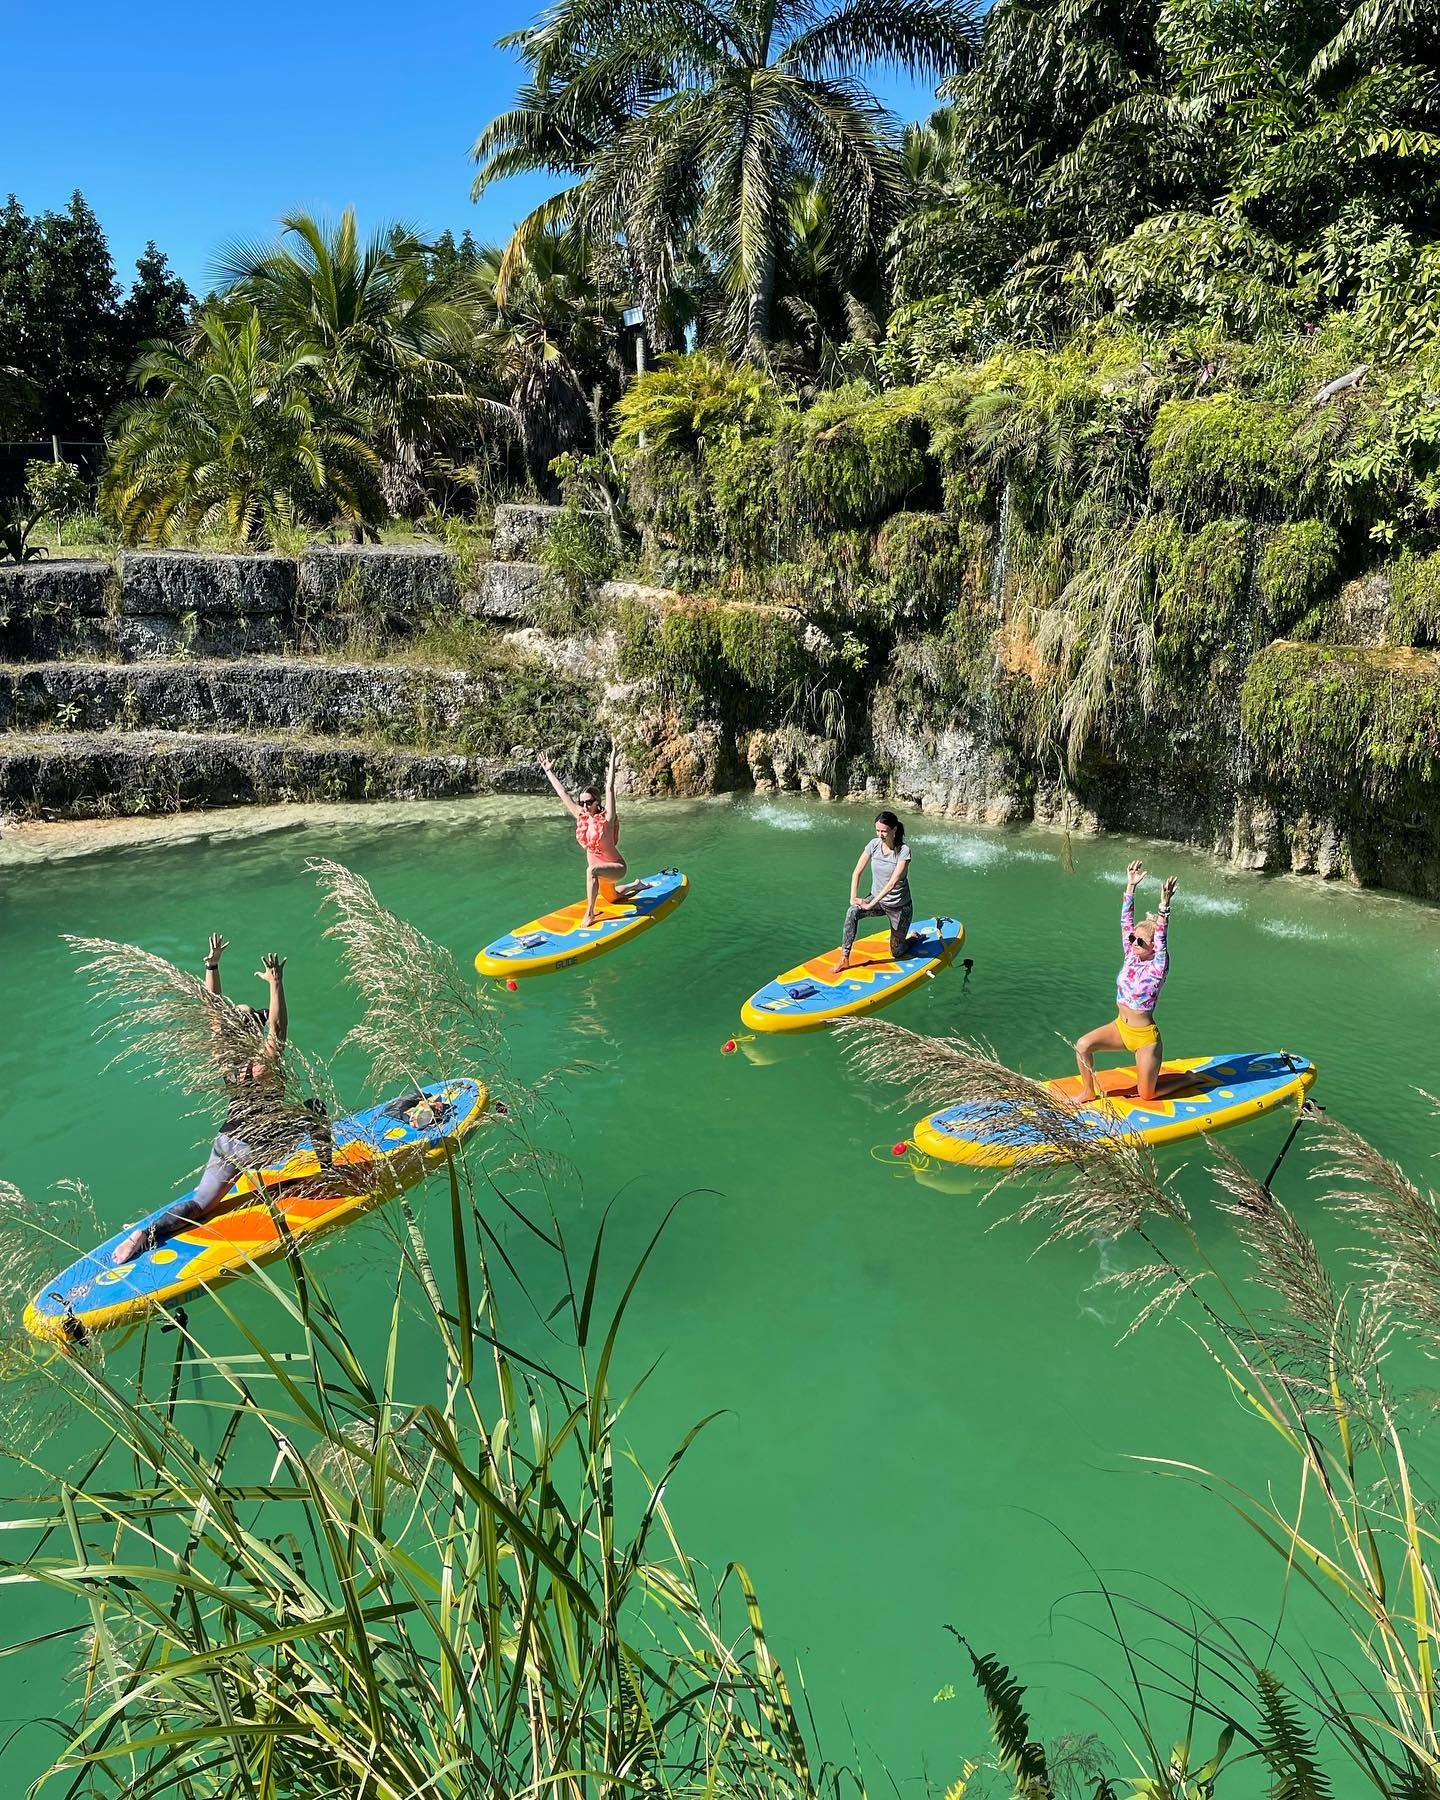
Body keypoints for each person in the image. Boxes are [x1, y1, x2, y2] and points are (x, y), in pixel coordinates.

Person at [113, 935, 288, 1264]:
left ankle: (145, 1233)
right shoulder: (262, 1065)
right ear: (252, 1032)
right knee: (314, 1113)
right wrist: (276, 984)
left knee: (201, 1202)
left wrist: (212, 964)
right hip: (260, 1145)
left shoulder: (226, 1059)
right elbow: (277, 1027)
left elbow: (212, 1009)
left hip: (226, 1142)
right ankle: (329, 1175)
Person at [1074, 860, 1178, 1105]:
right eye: (1133, 939)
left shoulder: (1158, 967)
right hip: (1120, 1028)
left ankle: (1189, 1080)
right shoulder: (1131, 956)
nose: (1133, 943)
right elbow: (1125, 923)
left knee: (1147, 1095)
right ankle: (1088, 1091)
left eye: (1140, 941)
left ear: (1153, 947)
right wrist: (1130, 887)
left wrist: (1164, 906)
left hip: (1145, 1039)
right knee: (1083, 1045)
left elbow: (1162, 935)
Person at [538, 743, 643, 928]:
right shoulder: (581, 817)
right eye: (582, 803)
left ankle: (590, 913)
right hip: (602, 874)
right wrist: (548, 771)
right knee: (613, 898)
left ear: (597, 802)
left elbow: (609, 787)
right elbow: (562, 793)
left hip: (616, 867)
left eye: (588, 803)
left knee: (591, 871)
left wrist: (612, 757)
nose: (585, 806)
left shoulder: (608, 819)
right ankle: (636, 885)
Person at [836, 811, 913, 969]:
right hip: (877, 900)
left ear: (894, 829)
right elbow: (857, 872)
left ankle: (913, 938)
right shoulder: (873, 845)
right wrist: (853, 897)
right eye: (877, 830)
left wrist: (870, 904)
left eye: (884, 831)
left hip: (899, 907)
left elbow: (892, 883)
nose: (880, 835)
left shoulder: (903, 851)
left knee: (897, 952)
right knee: (852, 912)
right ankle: (844, 957)